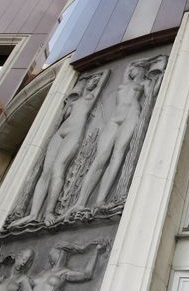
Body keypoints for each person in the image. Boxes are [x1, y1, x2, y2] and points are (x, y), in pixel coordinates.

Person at [10, 71, 108, 227]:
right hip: (60, 132)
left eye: (96, 80)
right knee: (46, 172)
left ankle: (49, 211)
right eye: (92, 79)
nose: (94, 81)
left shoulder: (92, 97)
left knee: (58, 168)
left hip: (74, 133)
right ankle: (34, 214)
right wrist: (81, 81)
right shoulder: (74, 101)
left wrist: (88, 75)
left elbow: (105, 75)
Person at [68, 59, 160, 213]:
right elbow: (129, 64)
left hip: (131, 115)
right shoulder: (125, 81)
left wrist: (158, 77)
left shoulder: (144, 82)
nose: (130, 71)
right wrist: (144, 61)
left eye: (134, 69)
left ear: (141, 69)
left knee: (117, 155)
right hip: (114, 119)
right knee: (100, 158)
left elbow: (152, 94)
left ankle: (100, 200)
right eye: (130, 69)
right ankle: (80, 202)